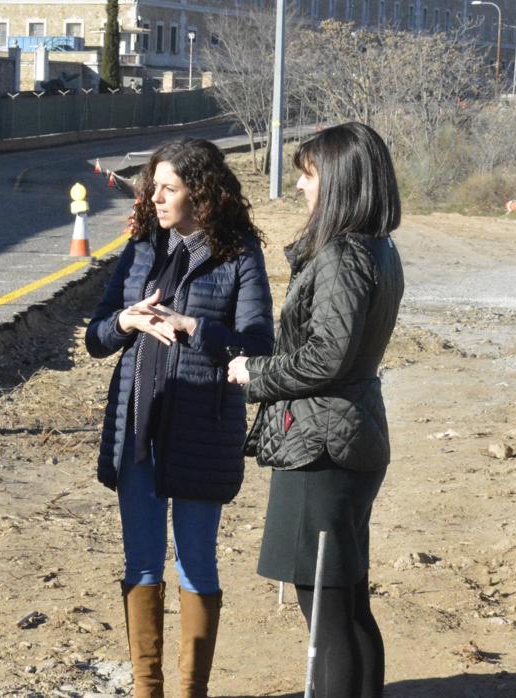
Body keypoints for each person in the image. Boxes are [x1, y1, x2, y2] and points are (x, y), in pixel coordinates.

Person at [85, 138, 274, 698]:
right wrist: (127, 321)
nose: (156, 198)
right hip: (137, 426)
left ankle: (191, 692)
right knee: (141, 564)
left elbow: (258, 344)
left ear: (202, 194)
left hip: (201, 431)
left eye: (169, 188)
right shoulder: (142, 246)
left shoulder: (239, 253)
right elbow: (97, 338)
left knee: (196, 564)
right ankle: (148, 690)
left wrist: (194, 328)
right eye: (154, 188)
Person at [227, 122, 404, 698]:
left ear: (341, 181)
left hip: (322, 446)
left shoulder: (343, 256)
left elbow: (326, 357)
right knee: (347, 602)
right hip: (344, 435)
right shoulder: (376, 249)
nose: (302, 188)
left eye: (309, 175)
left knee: (327, 612)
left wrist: (254, 374)